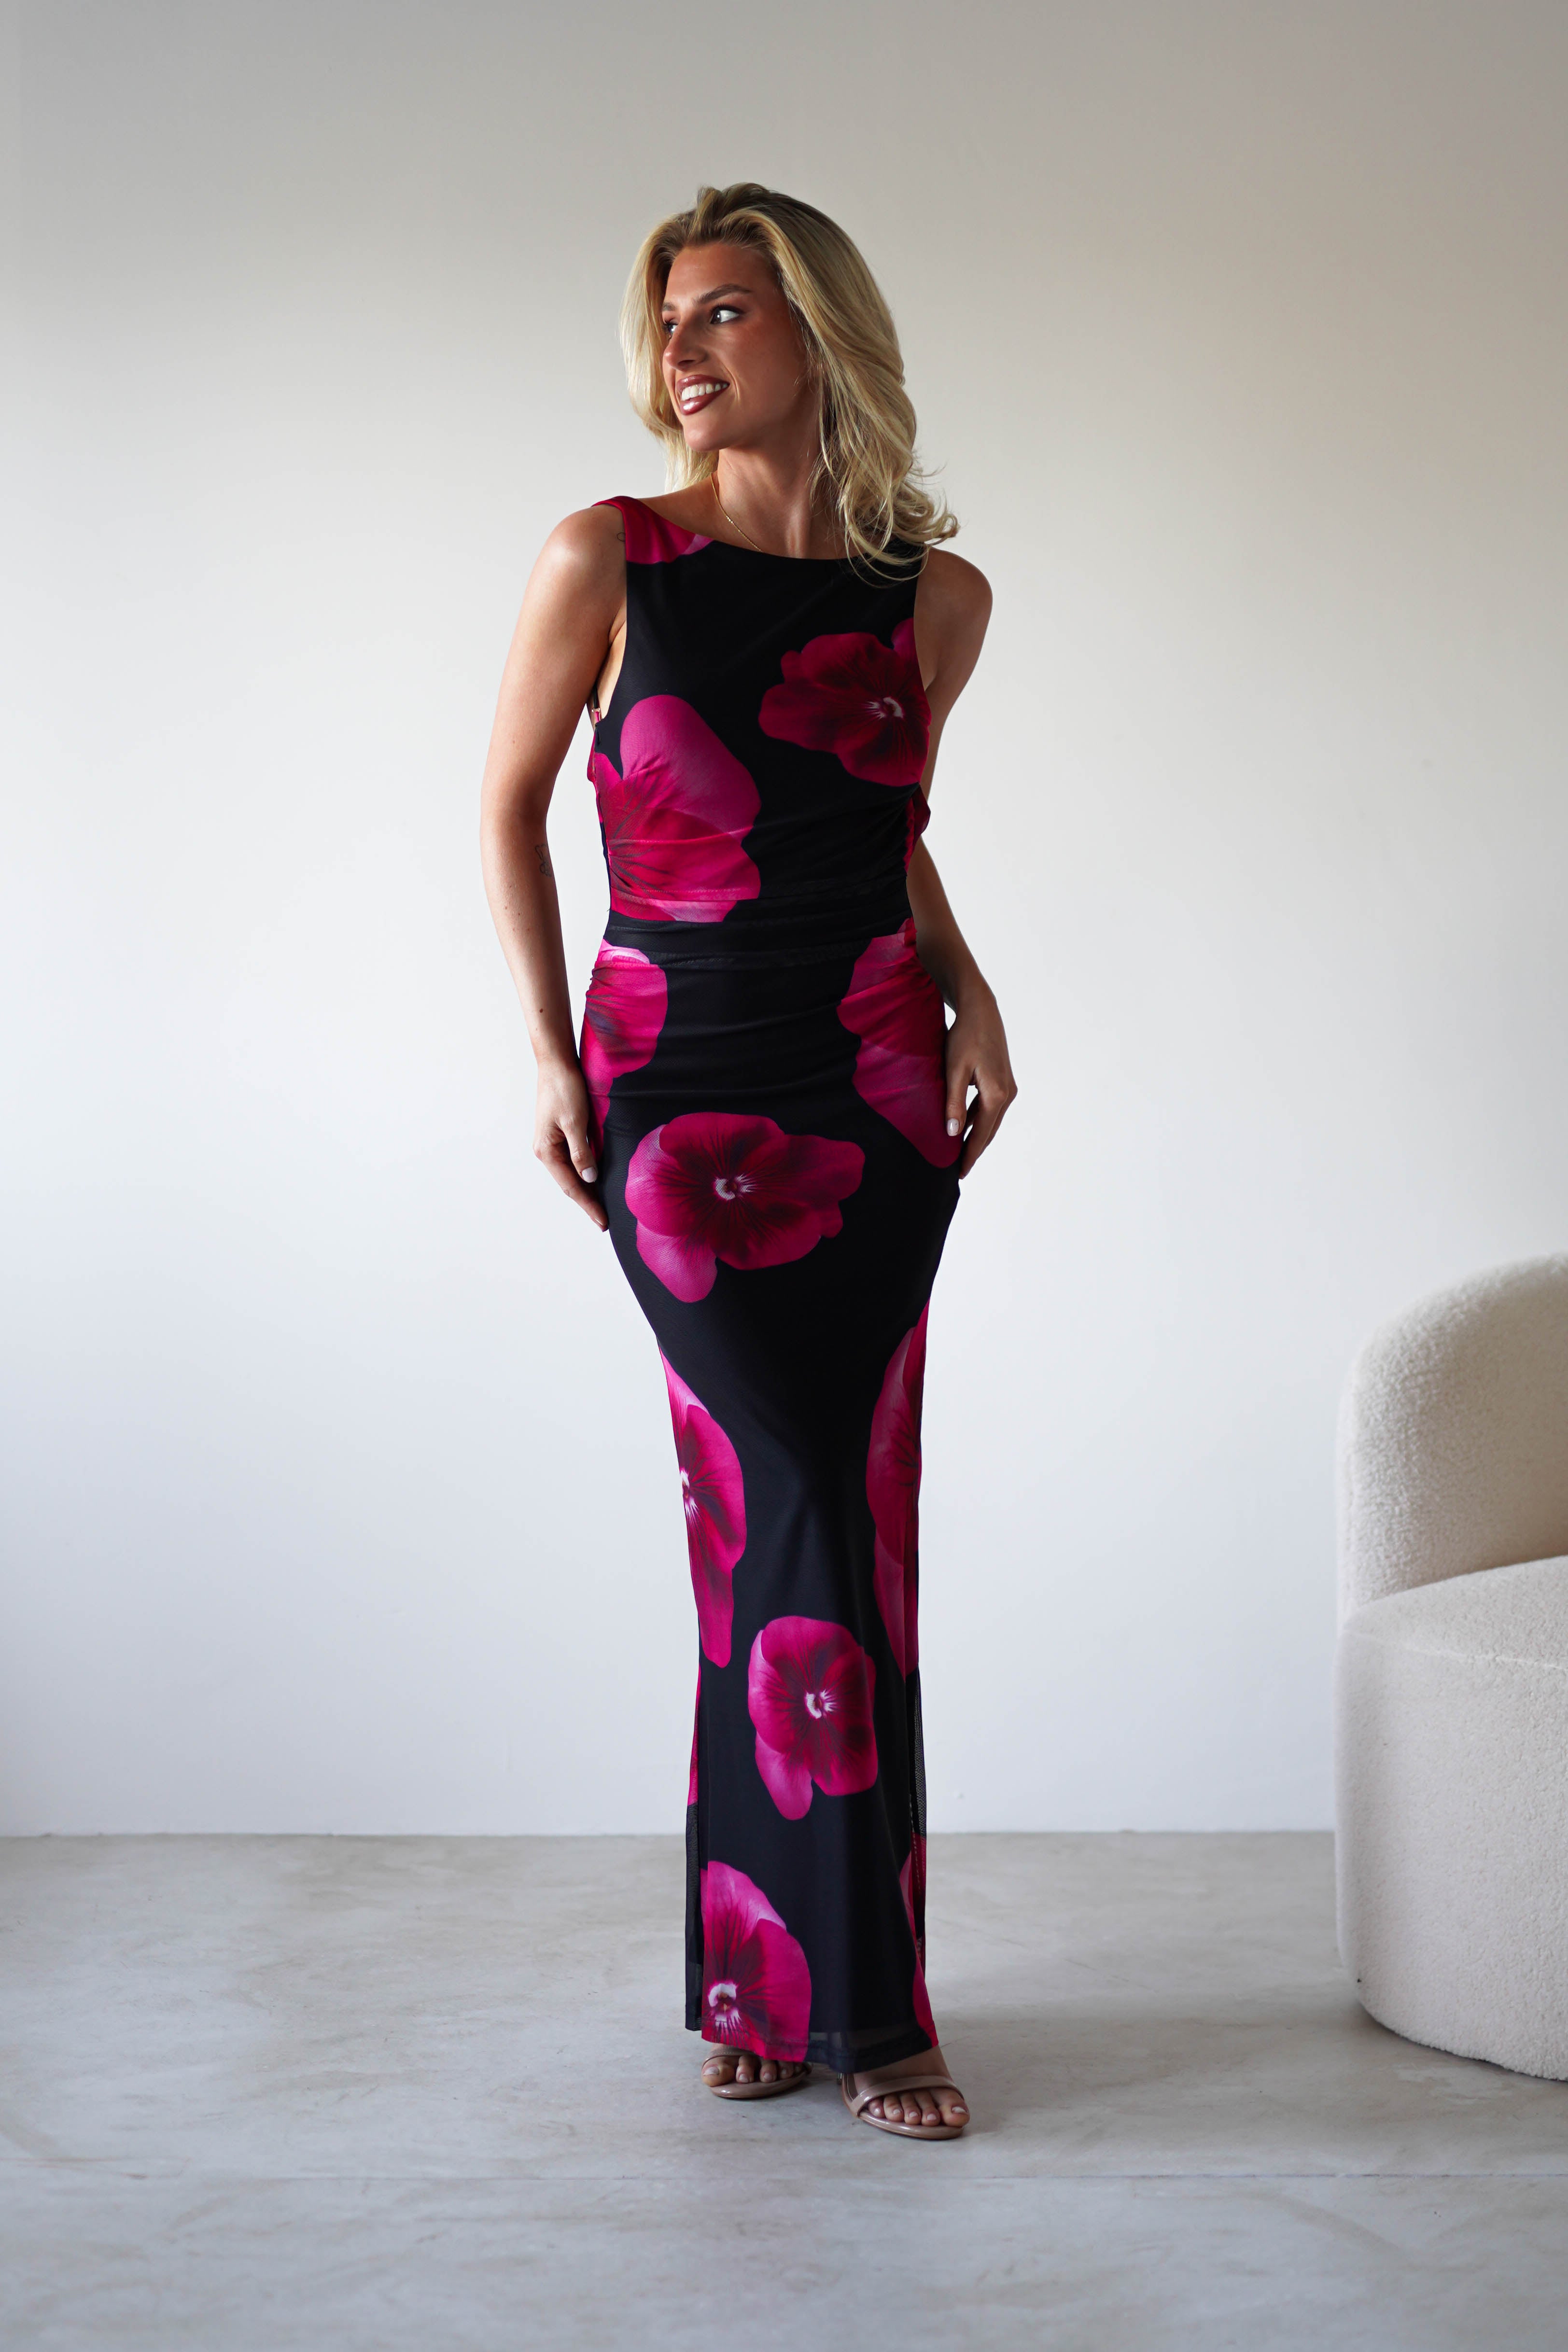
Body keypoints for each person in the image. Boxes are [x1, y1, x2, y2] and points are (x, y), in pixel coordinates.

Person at [480, 183, 1014, 2139]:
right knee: (775, 1490)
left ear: (817, 330)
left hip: (870, 1085)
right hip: (675, 1082)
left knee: (842, 1517)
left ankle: (794, 1985)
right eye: (669, 319)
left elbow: (877, 823)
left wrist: (971, 992)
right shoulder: (607, 557)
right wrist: (549, 1050)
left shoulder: (935, 597)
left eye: (721, 311)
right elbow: (510, 804)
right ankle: (831, 1994)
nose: (681, 350)